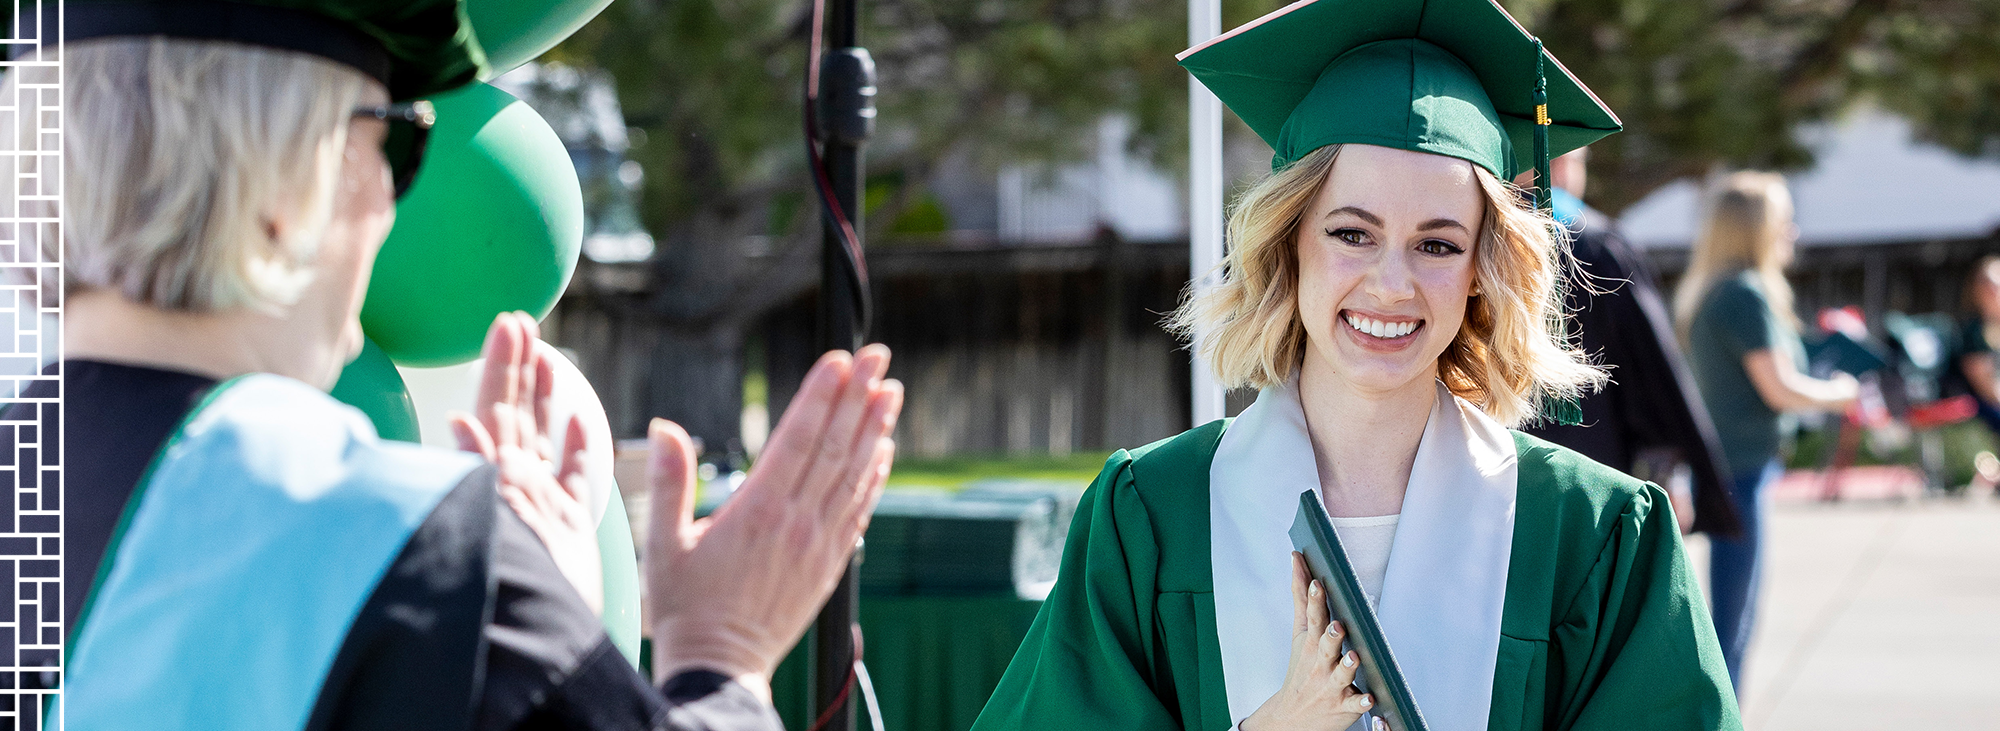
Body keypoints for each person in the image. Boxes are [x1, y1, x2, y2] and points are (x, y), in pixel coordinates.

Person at [16, 3, 903, 729]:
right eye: (393, 141)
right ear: (288, 181)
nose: (392, 201)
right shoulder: (400, 557)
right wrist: (722, 654)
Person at [971, 1, 1739, 729]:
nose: (1392, 284)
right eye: (1352, 233)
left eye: (1437, 244)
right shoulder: (1153, 514)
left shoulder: (1588, 532)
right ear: (1290, 241)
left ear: (1481, 267)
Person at [1671, 171, 1857, 694]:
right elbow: (1779, 388)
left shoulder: (1717, 290)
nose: (1792, 231)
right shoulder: (1744, 295)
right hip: (1742, 469)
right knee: (1734, 622)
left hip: (1732, 465)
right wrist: (1839, 392)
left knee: (1731, 617)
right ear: (1755, 228)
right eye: (1782, 220)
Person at [1521, 148, 1743, 537]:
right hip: (1591, 472)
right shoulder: (1596, 243)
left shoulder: (1460, 237)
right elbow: (1651, 373)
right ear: (1557, 163)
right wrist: (1669, 463)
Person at [1952, 256, 2000, 435]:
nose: (1994, 290)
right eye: (1988, 284)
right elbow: (1986, 387)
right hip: (1980, 406)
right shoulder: (1974, 331)